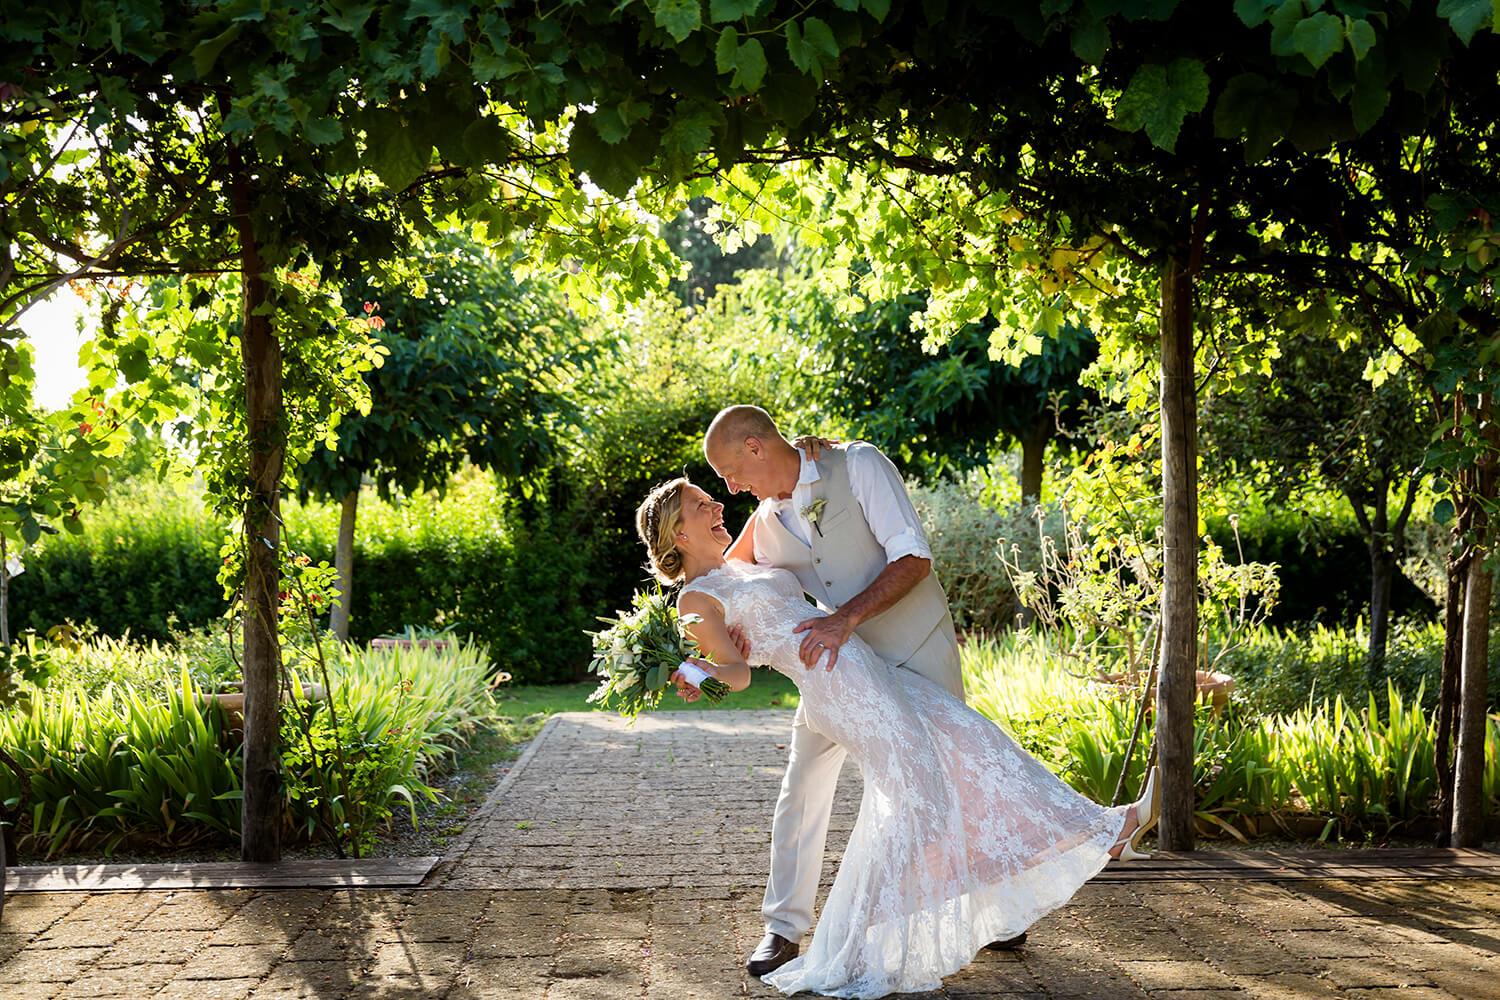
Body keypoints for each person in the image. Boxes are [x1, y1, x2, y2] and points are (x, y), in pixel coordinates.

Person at [635, 477, 1159, 999]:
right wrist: (693, 667)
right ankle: (868, 945)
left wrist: (814, 453)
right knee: (917, 794)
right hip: (838, 688)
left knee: (974, 741)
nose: (717, 503)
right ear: (679, 533)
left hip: (867, 666)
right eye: (702, 505)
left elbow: (775, 491)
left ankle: (1086, 838)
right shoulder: (697, 600)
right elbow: (736, 675)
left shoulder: (739, 560)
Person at [699, 405, 1015, 976]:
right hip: (838, 670)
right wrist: (710, 643)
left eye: (728, 470)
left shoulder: (859, 464)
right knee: (803, 784)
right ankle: (783, 927)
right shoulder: (764, 523)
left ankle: (996, 907)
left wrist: (842, 618)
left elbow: (914, 559)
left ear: (754, 447)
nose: (730, 487)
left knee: (948, 777)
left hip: (914, 647)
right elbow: (717, 583)